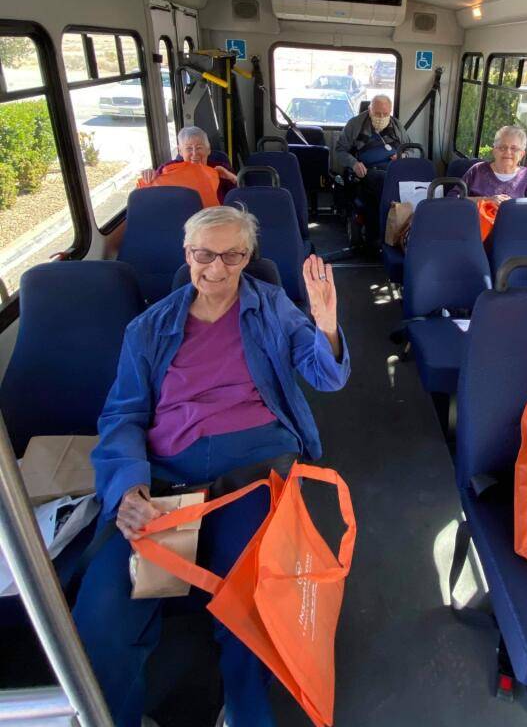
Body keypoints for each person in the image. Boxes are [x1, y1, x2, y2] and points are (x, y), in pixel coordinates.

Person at [73, 206, 349, 727]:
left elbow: (325, 376)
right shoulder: (149, 328)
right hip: (167, 480)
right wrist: (129, 489)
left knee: (254, 599)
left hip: (252, 472)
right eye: (204, 254)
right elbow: (123, 416)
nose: (217, 268)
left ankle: (245, 710)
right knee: (107, 610)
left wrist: (326, 325)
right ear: (187, 254)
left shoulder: (272, 308)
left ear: (247, 257)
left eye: (232, 255)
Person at [335, 94, 411, 245]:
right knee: (382, 182)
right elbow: (340, 151)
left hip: (395, 169)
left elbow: (410, 148)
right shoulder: (355, 124)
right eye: (377, 113)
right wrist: (354, 163)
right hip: (368, 171)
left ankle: (407, 232)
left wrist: (404, 155)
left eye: (385, 114)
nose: (381, 117)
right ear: (369, 110)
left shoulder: (396, 126)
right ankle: (379, 236)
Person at [140, 126, 237, 202]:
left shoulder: (221, 168)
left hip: (214, 218)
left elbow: (240, 197)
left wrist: (232, 178)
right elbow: (153, 196)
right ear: (180, 151)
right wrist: (149, 176)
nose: (194, 153)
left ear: (208, 150)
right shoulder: (168, 169)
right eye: (189, 148)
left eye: (199, 148)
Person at [457, 125, 527, 202]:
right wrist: (486, 200)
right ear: (494, 151)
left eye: (514, 148)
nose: (508, 152)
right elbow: (453, 198)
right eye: (502, 147)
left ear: (521, 154)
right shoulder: (477, 170)